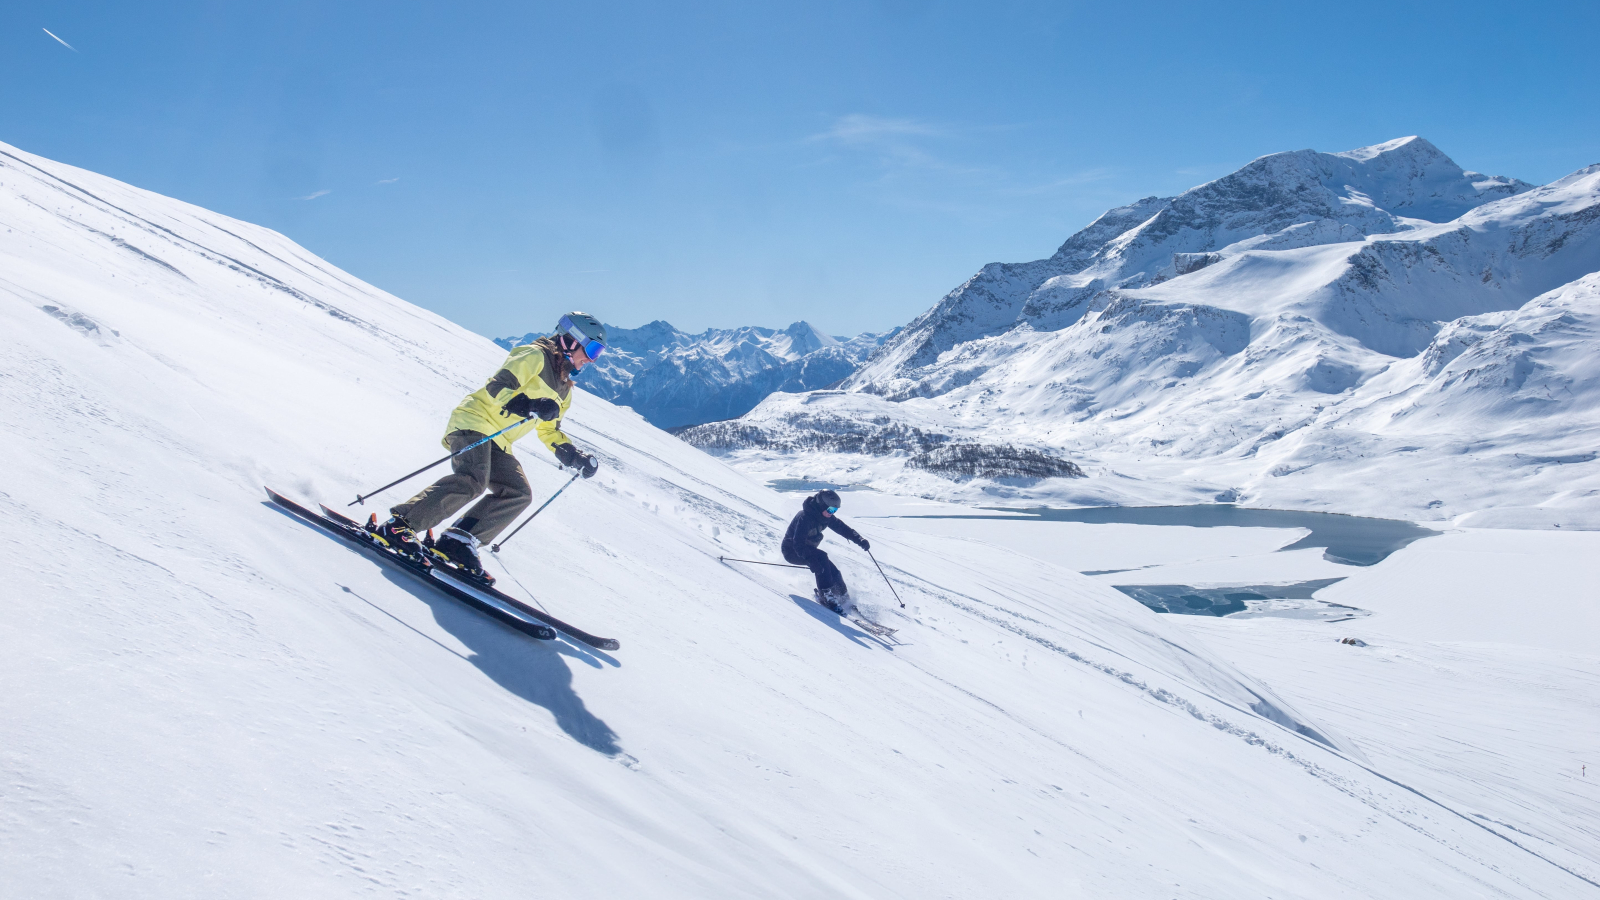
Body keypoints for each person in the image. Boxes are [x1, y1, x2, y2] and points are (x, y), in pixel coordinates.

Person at [373, 312, 607, 579]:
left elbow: (548, 429)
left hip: (500, 441)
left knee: (518, 493)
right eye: (591, 348)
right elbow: (498, 387)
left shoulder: (565, 389)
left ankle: (458, 540)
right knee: (474, 479)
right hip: (474, 423)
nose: (592, 358)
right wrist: (528, 404)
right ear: (569, 341)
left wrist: (572, 455)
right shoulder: (534, 355)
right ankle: (400, 525)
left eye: (598, 352)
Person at [781, 489, 869, 614]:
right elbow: (798, 544)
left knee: (834, 572)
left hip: (809, 551)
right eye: (830, 510)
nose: (831, 513)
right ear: (821, 505)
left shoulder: (825, 516)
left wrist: (859, 539)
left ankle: (844, 599)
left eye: (834, 510)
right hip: (792, 551)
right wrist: (811, 560)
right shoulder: (805, 518)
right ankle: (826, 595)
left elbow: (842, 528)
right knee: (822, 559)